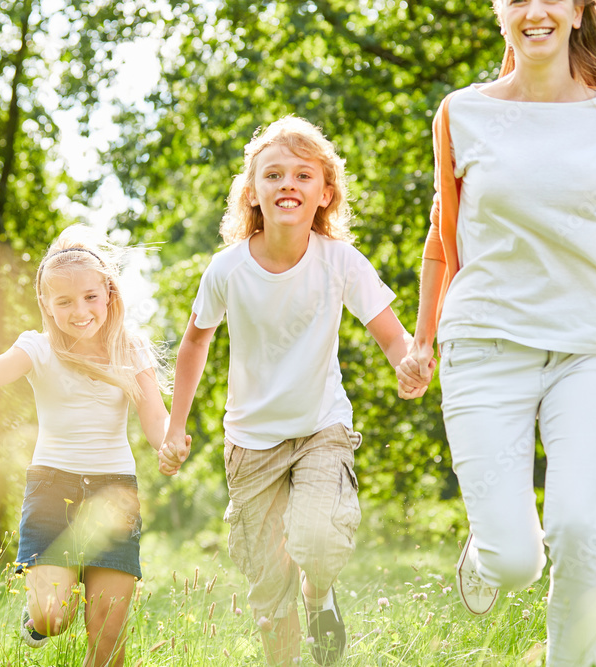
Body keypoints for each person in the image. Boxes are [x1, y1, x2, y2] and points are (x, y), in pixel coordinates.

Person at [396, 1, 596, 665]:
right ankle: (487, 552)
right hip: (482, 348)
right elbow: (441, 236)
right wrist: (421, 340)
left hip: (585, 352)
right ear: (499, 13)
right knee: (516, 562)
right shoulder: (462, 112)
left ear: (576, 11)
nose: (534, 11)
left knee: (578, 527)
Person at [158, 116, 413, 666]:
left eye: (303, 174)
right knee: (269, 595)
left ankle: (319, 594)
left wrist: (409, 364)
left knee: (317, 542)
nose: (288, 185)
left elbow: (393, 337)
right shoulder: (227, 269)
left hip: (321, 427)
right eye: (273, 175)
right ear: (252, 191)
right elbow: (195, 343)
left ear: (325, 193)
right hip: (251, 443)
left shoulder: (340, 261)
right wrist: (175, 427)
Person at [0, 225, 178, 667]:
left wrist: (169, 445)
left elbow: (155, 418)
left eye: (90, 297)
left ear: (109, 295)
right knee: (54, 616)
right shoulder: (37, 348)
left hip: (114, 492)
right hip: (50, 489)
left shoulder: (130, 349)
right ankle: (38, 619)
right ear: (47, 305)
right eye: (64, 301)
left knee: (108, 637)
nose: (79, 310)